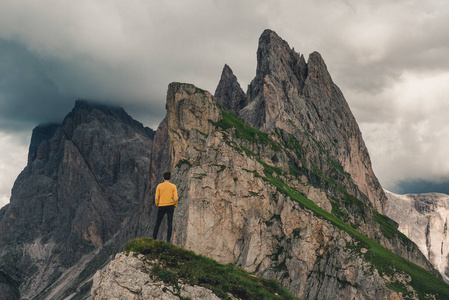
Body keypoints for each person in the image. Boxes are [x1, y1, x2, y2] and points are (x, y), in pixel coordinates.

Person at [152, 171, 178, 243]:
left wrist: (158, 204)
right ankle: (168, 240)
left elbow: (156, 198)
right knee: (169, 223)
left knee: (158, 223)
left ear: (163, 178)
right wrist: (174, 205)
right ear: (170, 178)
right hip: (170, 206)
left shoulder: (159, 186)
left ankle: (154, 238)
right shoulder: (173, 186)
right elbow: (175, 198)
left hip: (161, 206)